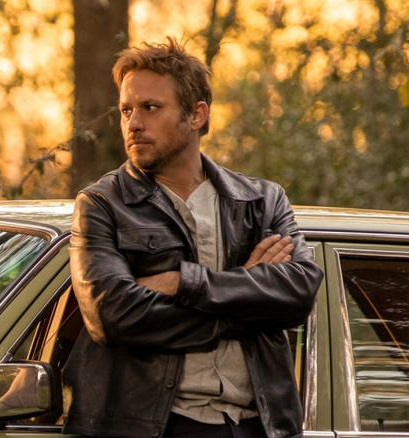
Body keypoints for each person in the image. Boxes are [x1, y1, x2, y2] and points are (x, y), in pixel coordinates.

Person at [62, 37, 324, 438]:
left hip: (259, 426)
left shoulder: (261, 201)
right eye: (127, 110)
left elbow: (300, 291)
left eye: (151, 108)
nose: (133, 124)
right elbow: (112, 316)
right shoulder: (102, 204)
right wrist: (247, 301)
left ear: (197, 114)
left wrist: (181, 281)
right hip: (155, 427)